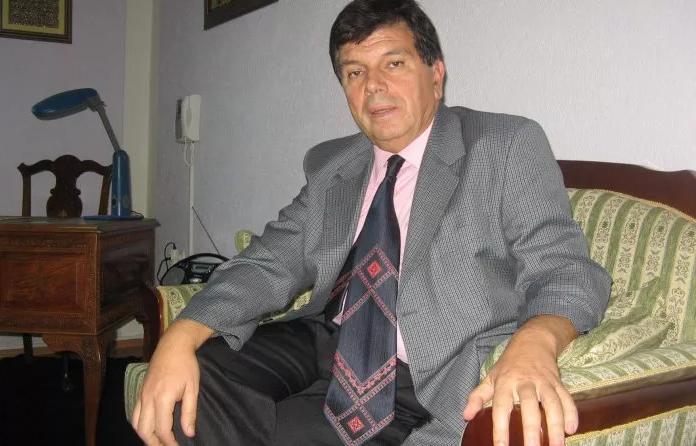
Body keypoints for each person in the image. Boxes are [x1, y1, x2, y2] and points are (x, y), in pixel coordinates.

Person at [132, 0, 611, 445]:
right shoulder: (333, 165)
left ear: (436, 73)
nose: (373, 86)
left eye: (393, 64)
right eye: (355, 72)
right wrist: (182, 332)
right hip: (324, 339)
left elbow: (565, 271)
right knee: (189, 381)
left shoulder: (503, 146)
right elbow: (269, 261)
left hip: (417, 375)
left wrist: (535, 341)